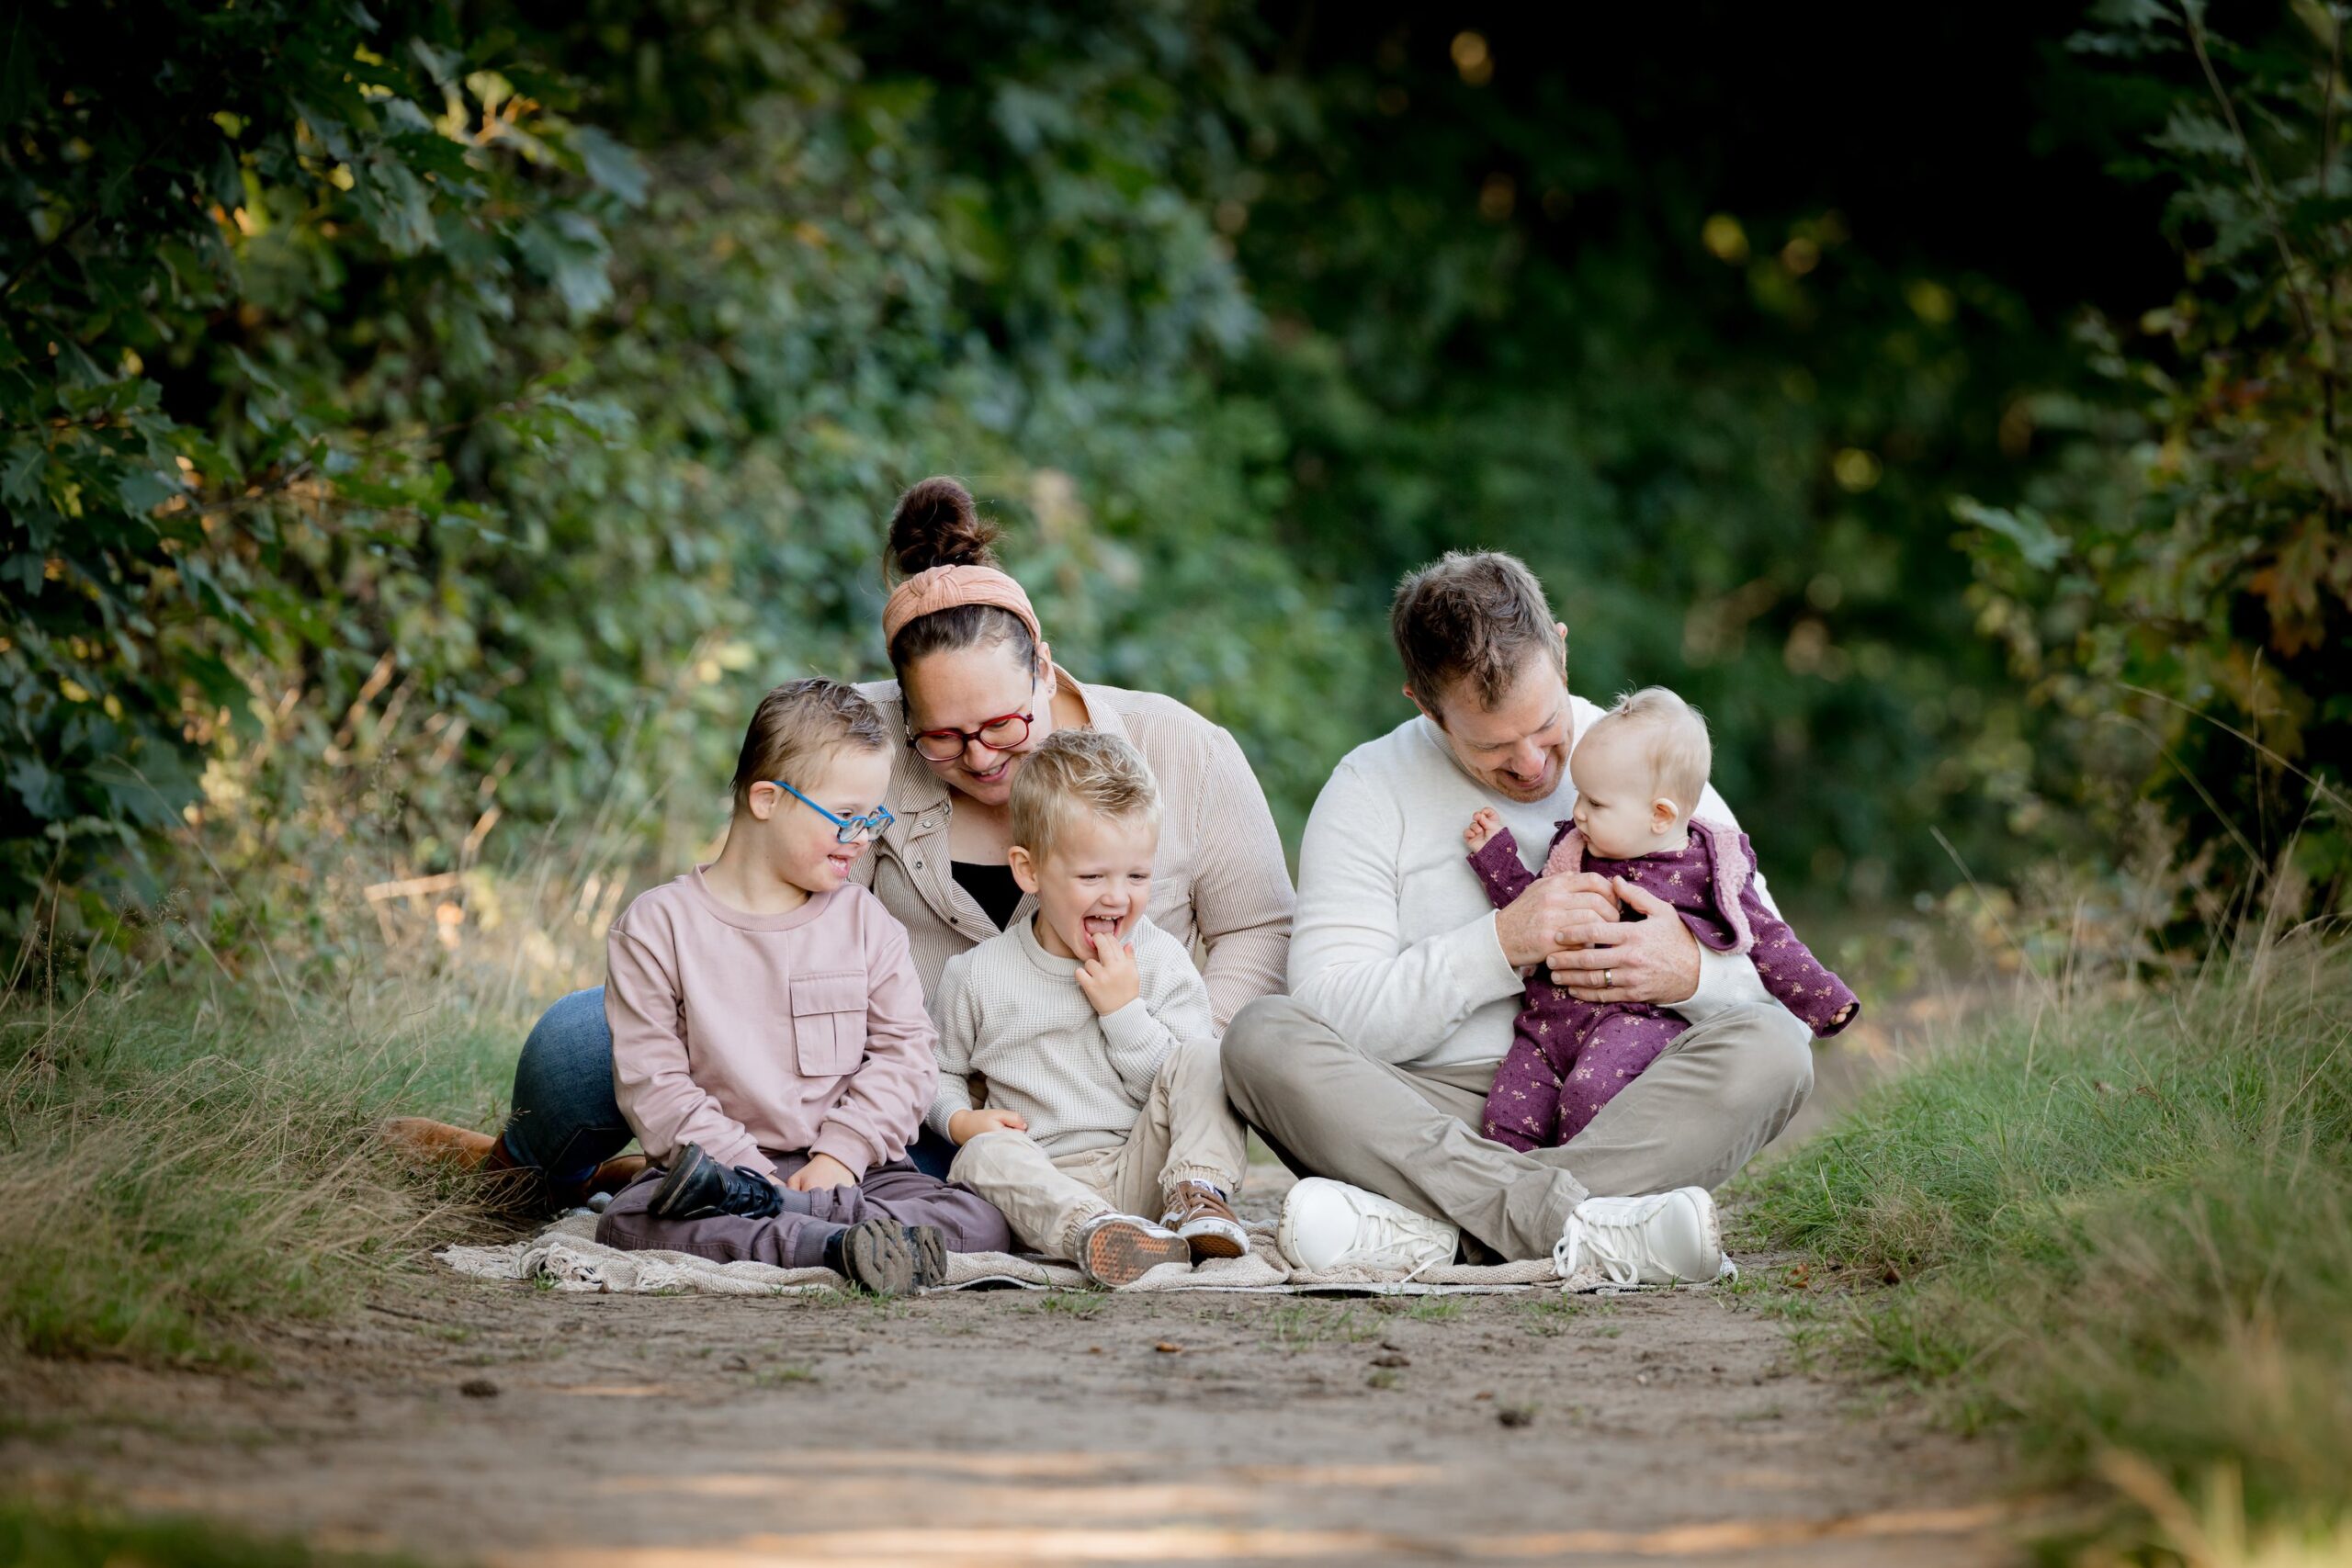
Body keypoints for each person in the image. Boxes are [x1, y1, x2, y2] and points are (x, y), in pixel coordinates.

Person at [384, 477, 1293, 1210]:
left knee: (938, 1203)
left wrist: (1177, 1051)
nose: (980, 759)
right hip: (898, 1097)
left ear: (1044, 669)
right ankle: (520, 1172)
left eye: (1005, 725)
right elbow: (754, 903)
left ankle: (704, 1186)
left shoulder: (1180, 750)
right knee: (588, 1038)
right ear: (905, 711)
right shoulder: (857, 748)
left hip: (1113, 1110)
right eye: (943, 736)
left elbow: (1258, 926)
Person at [1222, 551, 1817, 1287]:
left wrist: (1690, 970)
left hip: (1617, 1104)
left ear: (1561, 651)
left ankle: (1443, 1232)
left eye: (1545, 726)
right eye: (1493, 746)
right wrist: (1500, 944)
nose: (1534, 765)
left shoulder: (1648, 758)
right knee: (1261, 1039)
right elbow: (1329, 1012)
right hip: (1432, 1115)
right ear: (1423, 704)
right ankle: (1584, 1227)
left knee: (1775, 1053)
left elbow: (1781, 1001)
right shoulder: (1366, 790)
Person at [588, 679, 1010, 1295]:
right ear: (766, 798)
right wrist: (752, 1176)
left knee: (981, 1219)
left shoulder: (865, 923)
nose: (864, 836)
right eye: (845, 816)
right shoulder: (656, 927)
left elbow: (907, 1058)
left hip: (856, 1173)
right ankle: (830, 1243)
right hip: (723, 1175)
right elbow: (655, 1086)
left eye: (872, 816)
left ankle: (818, 1234)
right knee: (627, 1220)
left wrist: (841, 1153)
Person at [1463, 685, 1858, 1153]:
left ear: (1659, 815)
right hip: (1547, 1025)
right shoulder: (1574, 853)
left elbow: (1770, 940)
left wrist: (1823, 998)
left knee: (1592, 1099)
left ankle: (1581, 1204)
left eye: (1596, 803)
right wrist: (1495, 856)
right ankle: (1507, 1209)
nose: (1578, 814)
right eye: (1580, 797)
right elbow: (1534, 910)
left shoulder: (1708, 869)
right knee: (1506, 1114)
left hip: (1635, 1027)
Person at [930, 730, 1251, 1287]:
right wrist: (958, 1119)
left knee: (1207, 1056)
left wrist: (1125, 1013)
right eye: (1092, 877)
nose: (1117, 897)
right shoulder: (979, 975)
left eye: (1137, 876)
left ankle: (1198, 1201)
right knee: (981, 1156)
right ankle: (1098, 1234)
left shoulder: (1157, 959)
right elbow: (936, 1073)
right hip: (1044, 1178)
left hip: (1149, 1167)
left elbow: (1184, 1083)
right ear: (1028, 871)